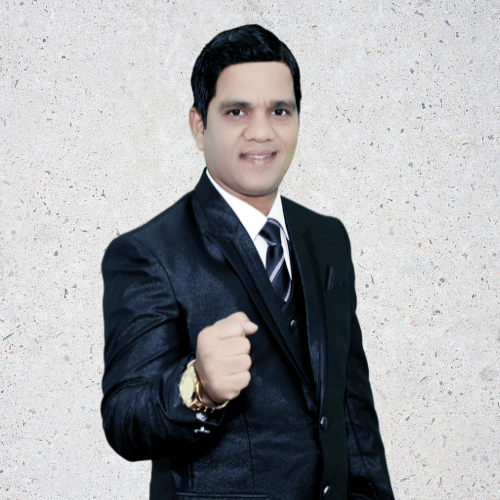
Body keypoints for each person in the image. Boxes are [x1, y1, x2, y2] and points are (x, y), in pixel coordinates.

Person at [101, 24, 394, 500]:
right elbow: (124, 420)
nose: (261, 131)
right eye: (236, 111)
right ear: (199, 126)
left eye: (280, 111)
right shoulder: (147, 252)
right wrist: (199, 385)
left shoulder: (327, 238)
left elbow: (350, 410)